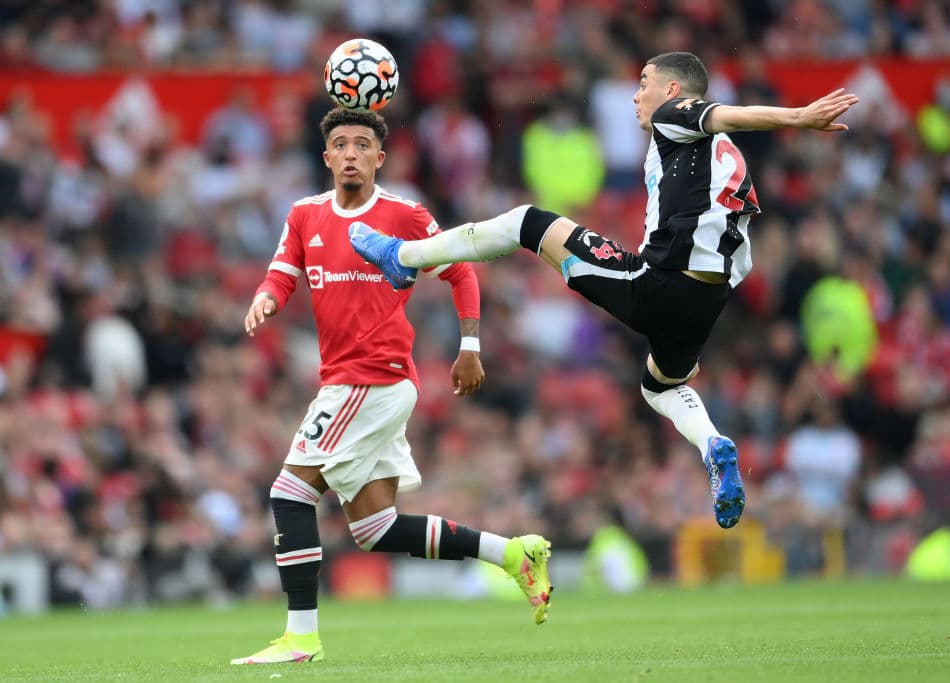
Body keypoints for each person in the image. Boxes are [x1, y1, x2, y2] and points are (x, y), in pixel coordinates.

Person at [350, 52, 859, 530]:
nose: (636, 96)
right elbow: (740, 254)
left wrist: (798, 118)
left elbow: (722, 113)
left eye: (643, 84)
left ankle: (402, 256)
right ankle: (714, 446)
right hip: (707, 299)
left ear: (675, 90)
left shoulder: (676, 117)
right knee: (658, 386)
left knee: (528, 222)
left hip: (658, 283)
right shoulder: (728, 162)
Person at [232, 108, 552, 666]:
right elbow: (283, 271)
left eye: (362, 144)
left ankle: (301, 639)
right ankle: (513, 553)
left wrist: (470, 345)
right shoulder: (305, 214)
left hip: (371, 376)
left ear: (380, 158)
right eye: (340, 144)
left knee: (289, 495)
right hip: (354, 380)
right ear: (327, 156)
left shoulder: (404, 214)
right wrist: (266, 298)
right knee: (375, 529)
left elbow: (460, 270)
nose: (351, 152)